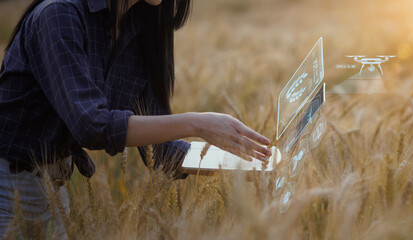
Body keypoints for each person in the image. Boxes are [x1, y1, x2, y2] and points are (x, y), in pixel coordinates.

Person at [0, 0, 272, 237]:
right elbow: (92, 125)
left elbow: (164, 151)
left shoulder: (143, 27)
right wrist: (197, 123)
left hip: (53, 191)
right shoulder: (58, 14)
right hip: (5, 186)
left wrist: (251, 163)